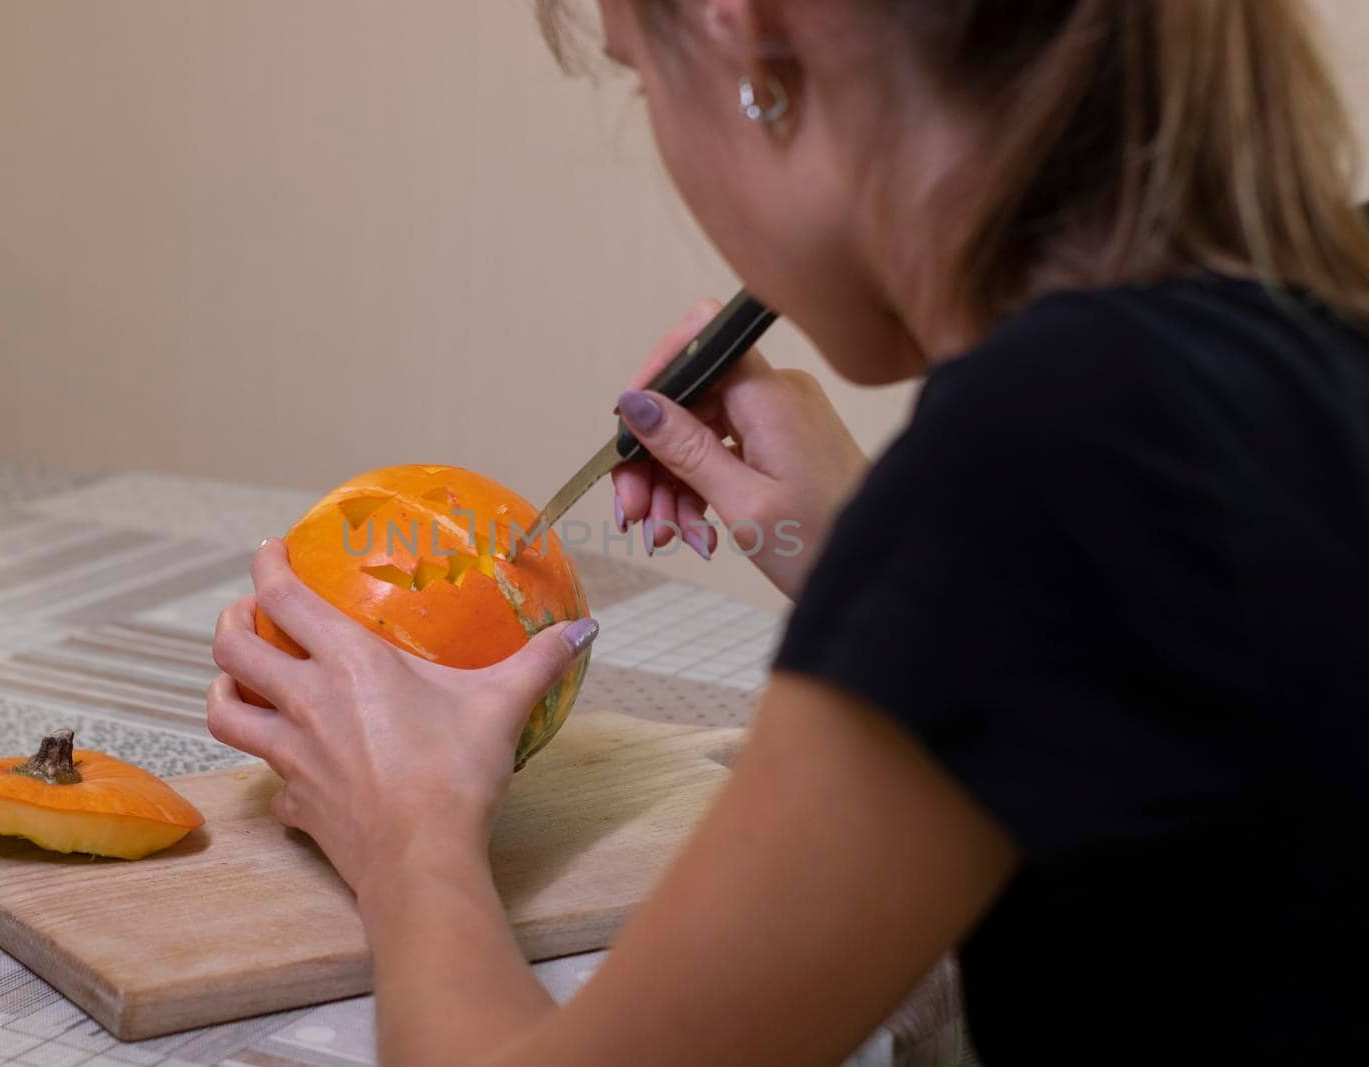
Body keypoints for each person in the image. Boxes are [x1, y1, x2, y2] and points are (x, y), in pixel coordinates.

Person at [205, 1, 1369, 1062]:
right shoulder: (1310, 331)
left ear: (742, 32)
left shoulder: (1053, 448)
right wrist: (883, 565)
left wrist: (407, 827)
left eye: (633, 74)